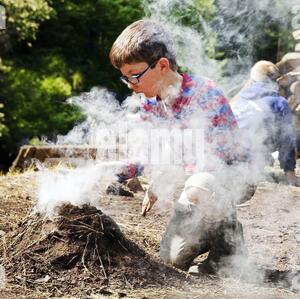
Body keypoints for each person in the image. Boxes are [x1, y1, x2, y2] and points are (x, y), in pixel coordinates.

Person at [109, 19, 246, 274]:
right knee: (172, 259)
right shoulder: (152, 102)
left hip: (231, 175)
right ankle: (211, 232)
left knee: (200, 184)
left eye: (135, 76)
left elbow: (212, 160)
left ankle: (228, 243)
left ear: (162, 65)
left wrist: (163, 178)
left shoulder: (204, 94)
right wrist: (110, 172)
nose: (130, 85)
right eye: (125, 78)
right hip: (198, 178)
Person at [230, 60, 299, 187]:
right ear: (276, 81)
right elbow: (286, 139)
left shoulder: (237, 102)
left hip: (231, 161)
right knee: (293, 135)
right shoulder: (279, 103)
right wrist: (290, 174)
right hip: (253, 155)